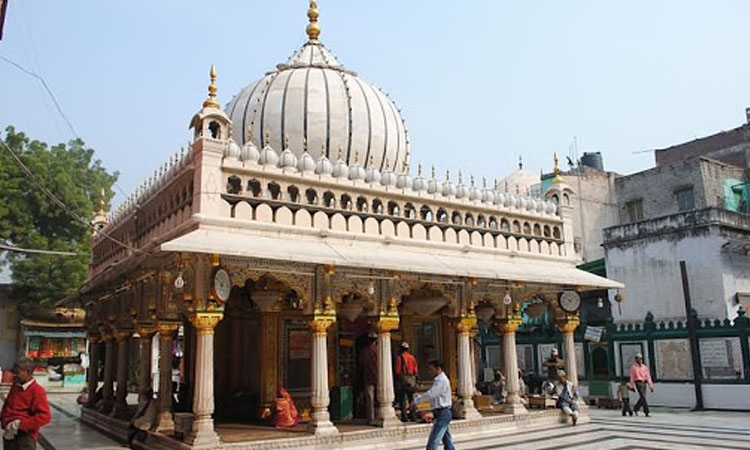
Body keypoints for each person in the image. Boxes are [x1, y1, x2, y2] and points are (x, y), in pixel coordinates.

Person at [0, 356, 52, 450]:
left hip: (25, 437)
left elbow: (45, 416)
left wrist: (21, 425)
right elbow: (7, 405)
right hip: (10, 433)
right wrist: (5, 421)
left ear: (28, 372)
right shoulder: (15, 387)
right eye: (14, 373)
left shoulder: (37, 391)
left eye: (18, 373)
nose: (14, 376)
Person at [413, 360, 455, 450]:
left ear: (438, 369)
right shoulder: (439, 380)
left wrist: (418, 400)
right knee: (447, 440)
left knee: (433, 441)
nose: (429, 371)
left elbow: (432, 394)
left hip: (443, 412)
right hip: (440, 412)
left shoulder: (441, 381)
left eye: (431, 369)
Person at [395, 341, 418, 422]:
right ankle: (413, 416)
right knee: (411, 399)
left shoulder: (399, 358)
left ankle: (404, 416)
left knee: (402, 400)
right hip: (411, 381)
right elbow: (415, 370)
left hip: (403, 381)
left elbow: (397, 371)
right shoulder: (412, 358)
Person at [359, 332, 378, 423]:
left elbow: (361, 363)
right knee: (382, 397)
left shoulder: (365, 351)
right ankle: (381, 414)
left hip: (368, 376)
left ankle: (371, 418)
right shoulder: (379, 350)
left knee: (370, 398)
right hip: (380, 377)